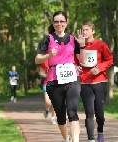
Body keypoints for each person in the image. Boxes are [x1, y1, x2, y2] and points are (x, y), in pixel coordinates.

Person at [35, 11, 86, 142]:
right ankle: (66, 139)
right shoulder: (48, 39)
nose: (59, 24)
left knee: (72, 111)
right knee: (60, 115)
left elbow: (83, 60)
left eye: (62, 21)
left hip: (72, 79)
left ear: (66, 23)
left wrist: (82, 45)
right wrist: (48, 56)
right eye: (56, 21)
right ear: (53, 23)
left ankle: (75, 140)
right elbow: (37, 59)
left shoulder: (72, 39)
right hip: (53, 80)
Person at [78, 21, 113, 142]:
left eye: (87, 30)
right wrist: (76, 67)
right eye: (83, 30)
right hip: (84, 82)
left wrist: (100, 68)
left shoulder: (101, 45)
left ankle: (100, 132)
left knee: (100, 113)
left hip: (100, 82)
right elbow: (73, 61)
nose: (85, 32)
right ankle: (91, 139)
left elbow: (109, 59)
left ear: (93, 31)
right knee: (89, 112)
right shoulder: (78, 46)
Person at [39, 60, 57, 125]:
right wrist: (46, 75)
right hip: (46, 83)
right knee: (48, 102)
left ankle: (53, 117)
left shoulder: (58, 60)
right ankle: (47, 109)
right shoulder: (44, 61)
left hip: (56, 83)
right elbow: (40, 72)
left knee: (54, 101)